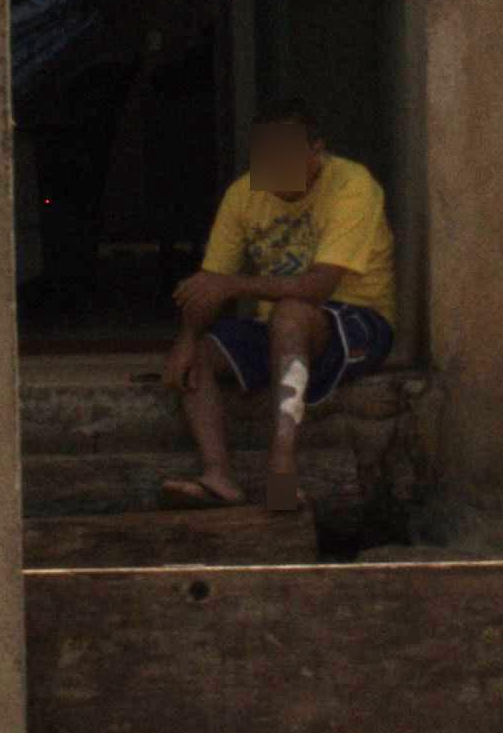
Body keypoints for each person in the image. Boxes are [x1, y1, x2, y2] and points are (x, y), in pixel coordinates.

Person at [161, 99, 396, 508]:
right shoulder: (243, 194)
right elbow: (210, 285)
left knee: (290, 313)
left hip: (358, 320)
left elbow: (317, 287)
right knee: (196, 356)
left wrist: (233, 286)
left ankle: (282, 474)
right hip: (282, 327)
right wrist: (186, 340)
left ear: (316, 151)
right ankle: (217, 477)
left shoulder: (352, 185)